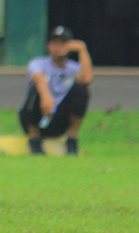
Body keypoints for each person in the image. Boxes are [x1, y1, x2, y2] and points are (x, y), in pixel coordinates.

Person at [18, 25, 93, 155]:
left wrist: (82, 49)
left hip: (59, 119)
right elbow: (39, 78)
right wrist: (47, 98)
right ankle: (34, 138)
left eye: (62, 43)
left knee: (81, 90)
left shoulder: (73, 68)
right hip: (39, 114)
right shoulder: (38, 63)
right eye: (54, 43)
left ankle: (72, 138)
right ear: (48, 45)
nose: (58, 47)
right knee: (35, 91)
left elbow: (86, 79)